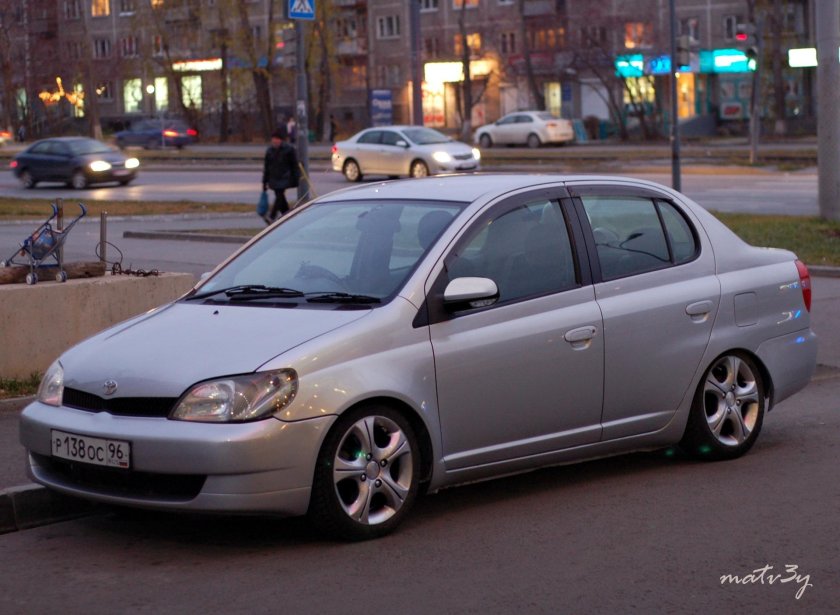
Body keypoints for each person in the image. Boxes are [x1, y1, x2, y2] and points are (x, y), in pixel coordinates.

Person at [261, 126, 300, 224]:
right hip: (273, 178)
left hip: (284, 177)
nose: (275, 141)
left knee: (279, 196)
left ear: (281, 140)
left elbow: (294, 165)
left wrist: (296, 178)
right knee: (281, 198)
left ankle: (272, 216)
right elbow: (266, 167)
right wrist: (264, 182)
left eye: (277, 139)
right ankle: (288, 216)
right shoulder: (269, 151)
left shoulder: (289, 149)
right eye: (273, 139)